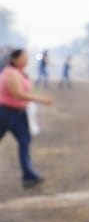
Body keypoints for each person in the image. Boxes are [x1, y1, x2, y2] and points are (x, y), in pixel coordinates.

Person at [1, 47, 52, 188]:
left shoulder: (19, 72)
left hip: (18, 113)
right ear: (14, 59)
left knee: (25, 140)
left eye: (27, 58)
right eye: (23, 58)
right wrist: (41, 99)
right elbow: (18, 94)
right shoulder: (11, 73)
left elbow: (26, 90)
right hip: (5, 112)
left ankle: (28, 175)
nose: (26, 60)